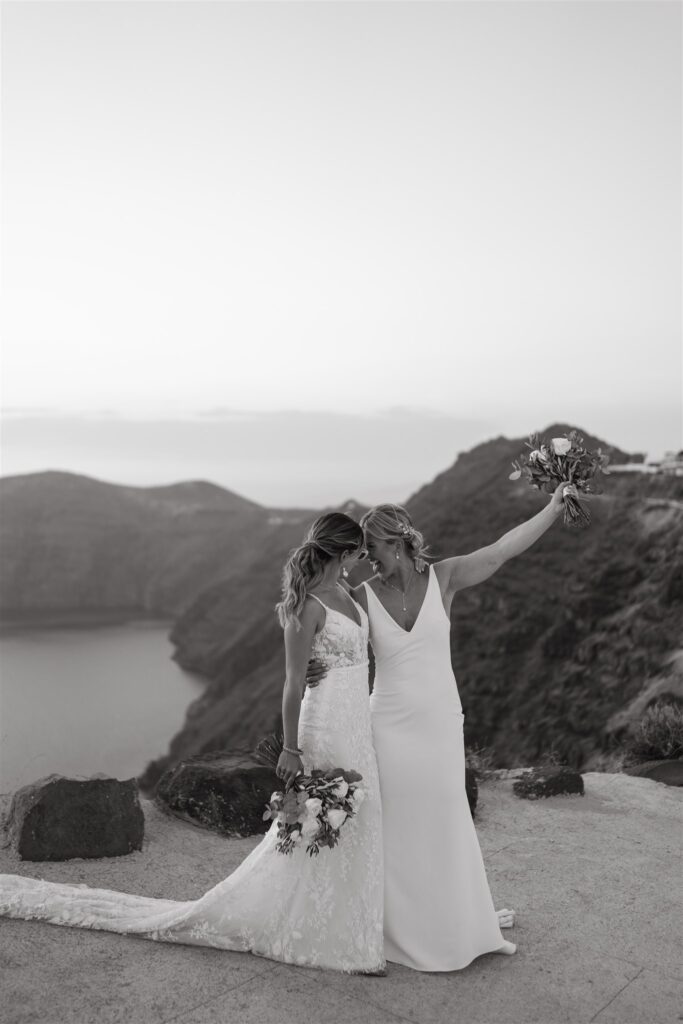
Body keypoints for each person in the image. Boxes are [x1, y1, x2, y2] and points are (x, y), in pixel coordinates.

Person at [0, 513, 385, 975]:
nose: (363, 561)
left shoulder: (350, 594)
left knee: (356, 818)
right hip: (323, 724)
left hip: (357, 724)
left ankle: (353, 921)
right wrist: (291, 748)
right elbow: (290, 682)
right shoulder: (308, 607)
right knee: (317, 821)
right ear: (341, 553)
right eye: (359, 553)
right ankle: (316, 924)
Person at [307, 481, 578, 971]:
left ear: (400, 542)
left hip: (439, 722)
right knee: (401, 825)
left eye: (374, 550)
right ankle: (403, 928)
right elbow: (324, 626)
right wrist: (313, 666)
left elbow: (501, 550)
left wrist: (551, 509)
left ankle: (453, 918)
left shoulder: (445, 578)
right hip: (387, 724)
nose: (368, 560)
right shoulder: (362, 597)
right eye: (363, 552)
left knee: (448, 816)